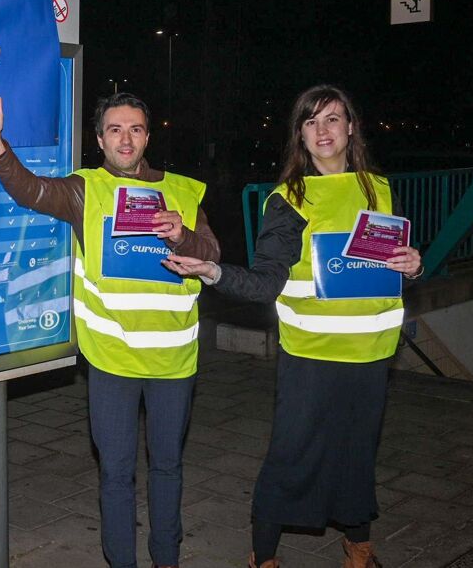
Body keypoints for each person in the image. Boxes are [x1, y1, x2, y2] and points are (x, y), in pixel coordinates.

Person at [164, 85, 421, 568]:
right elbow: (265, 285)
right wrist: (213, 272)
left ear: (350, 127)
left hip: (372, 354)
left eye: (331, 119)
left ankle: (358, 544)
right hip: (313, 353)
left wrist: (413, 265)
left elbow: (389, 263)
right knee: (291, 454)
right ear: (300, 136)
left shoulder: (379, 188)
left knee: (358, 453)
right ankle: (263, 555)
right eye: (310, 122)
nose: (322, 131)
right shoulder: (290, 199)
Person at [0, 86, 220, 568]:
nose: (126, 139)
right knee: (117, 473)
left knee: (167, 467)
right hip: (112, 359)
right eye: (115, 129)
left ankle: (168, 558)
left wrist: (181, 234)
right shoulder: (86, 190)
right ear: (99, 139)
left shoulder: (182, 191)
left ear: (148, 137)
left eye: (136, 129)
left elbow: (213, 255)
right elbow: (31, 190)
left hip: (175, 359)